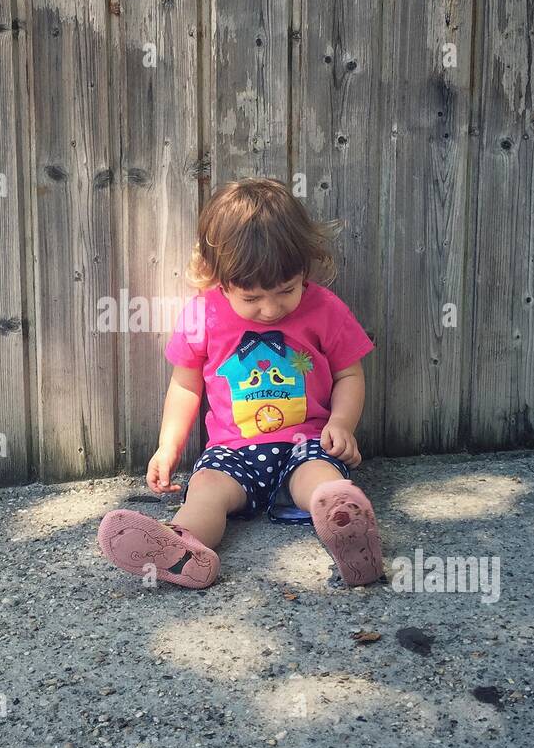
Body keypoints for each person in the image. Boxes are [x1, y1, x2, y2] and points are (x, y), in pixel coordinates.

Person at [97, 177, 383, 589]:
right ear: (219, 278)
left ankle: (350, 533)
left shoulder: (325, 308)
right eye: (251, 298)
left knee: (321, 482)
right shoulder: (203, 315)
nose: (270, 309)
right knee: (205, 490)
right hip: (232, 452)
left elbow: (348, 374)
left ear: (305, 268)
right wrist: (168, 447)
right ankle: (181, 550)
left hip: (306, 443)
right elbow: (185, 386)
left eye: (286, 291)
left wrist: (341, 424)